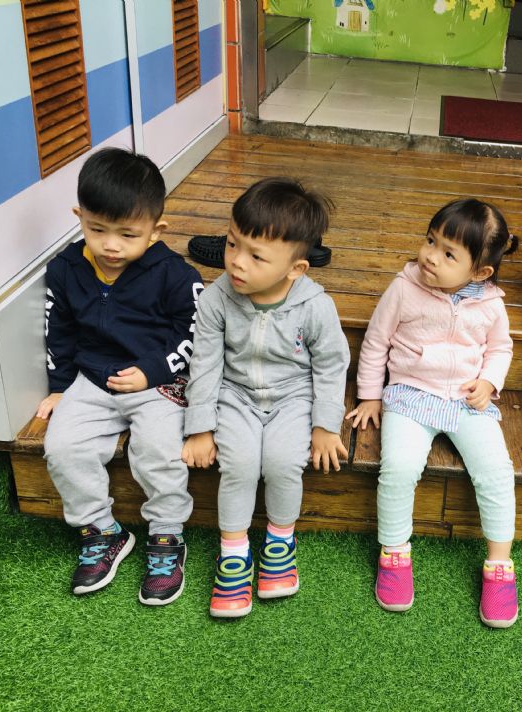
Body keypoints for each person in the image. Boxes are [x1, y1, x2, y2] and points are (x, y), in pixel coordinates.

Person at [39, 147, 203, 605]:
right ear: (80, 218)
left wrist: (152, 371)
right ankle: (102, 532)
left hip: (158, 384)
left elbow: (193, 333)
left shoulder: (175, 275)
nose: (111, 245)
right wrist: (59, 387)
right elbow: (58, 331)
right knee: (62, 447)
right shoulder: (66, 269)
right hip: (92, 380)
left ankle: (167, 535)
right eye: (97, 229)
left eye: (128, 234)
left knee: (158, 451)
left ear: (156, 230)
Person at [347, 199, 520, 628]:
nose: (430, 256)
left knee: (496, 472)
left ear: (480, 272)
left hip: (467, 400)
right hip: (410, 395)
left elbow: (500, 348)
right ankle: (394, 552)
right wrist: (369, 396)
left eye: (448, 254)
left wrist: (489, 382)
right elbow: (376, 341)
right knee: (399, 468)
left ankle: (500, 564)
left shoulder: (491, 304)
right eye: (430, 241)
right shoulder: (404, 288)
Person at [181, 177, 349, 619]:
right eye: (232, 244)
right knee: (237, 464)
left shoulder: (315, 306)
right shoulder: (216, 298)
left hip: (294, 396)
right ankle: (233, 552)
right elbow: (205, 363)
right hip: (235, 395)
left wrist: (325, 425)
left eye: (256, 256)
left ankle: (280, 540)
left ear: (296, 269)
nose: (236, 262)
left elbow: (331, 365)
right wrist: (200, 428)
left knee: (281, 462)